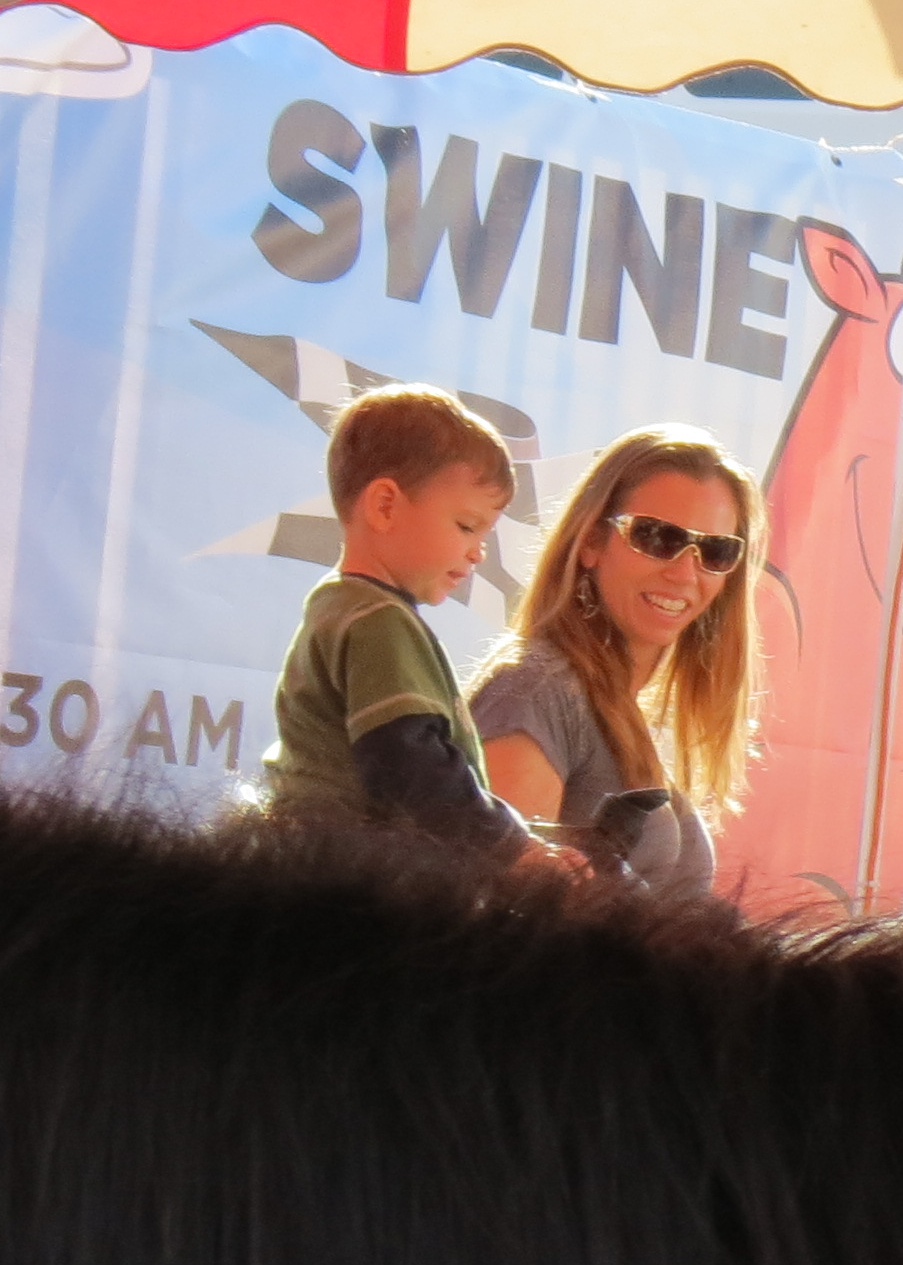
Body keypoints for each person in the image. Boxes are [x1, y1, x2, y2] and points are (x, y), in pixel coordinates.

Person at [468, 428, 761, 896]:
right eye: (656, 537)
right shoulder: (535, 690)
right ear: (591, 542)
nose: (685, 572)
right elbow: (507, 912)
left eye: (715, 551)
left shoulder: (612, 705)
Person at [260, 384, 534, 862]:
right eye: (467, 526)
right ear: (384, 505)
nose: (478, 553)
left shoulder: (335, 604)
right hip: (353, 874)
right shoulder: (378, 622)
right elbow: (413, 770)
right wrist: (514, 848)